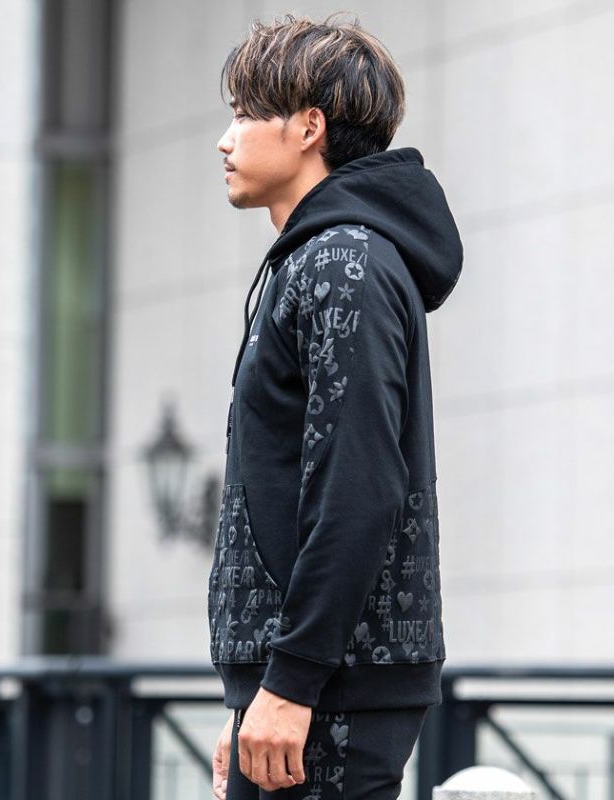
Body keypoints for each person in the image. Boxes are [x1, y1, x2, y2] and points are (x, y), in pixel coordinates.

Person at [208, 12, 463, 799]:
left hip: (331, 689)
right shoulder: (318, 260)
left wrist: (289, 684)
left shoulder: (343, 263)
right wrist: (255, 689)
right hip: (308, 683)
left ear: (308, 127)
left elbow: (358, 489)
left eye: (245, 114)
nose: (225, 139)